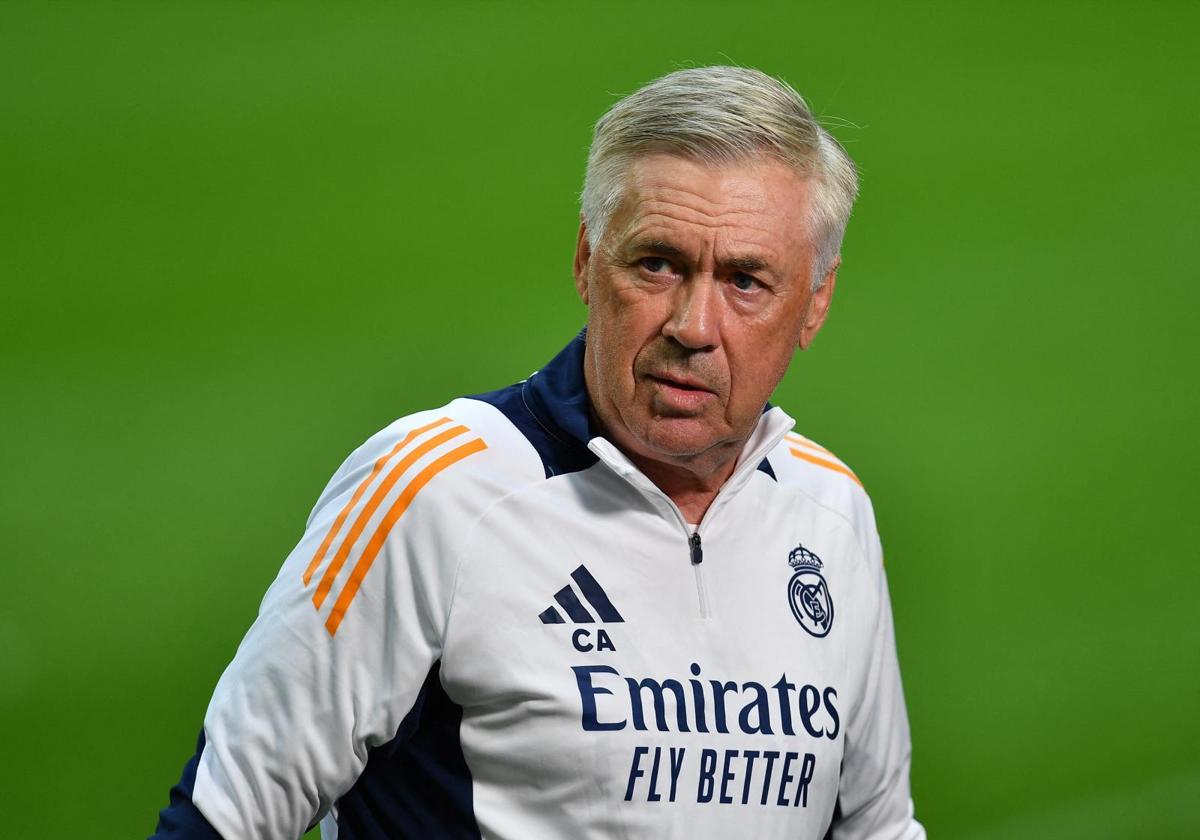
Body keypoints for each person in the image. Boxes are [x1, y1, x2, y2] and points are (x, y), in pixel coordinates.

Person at [154, 66, 925, 840]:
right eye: (657, 263)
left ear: (815, 302)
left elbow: (877, 829)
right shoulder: (438, 490)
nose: (694, 325)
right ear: (587, 260)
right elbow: (224, 820)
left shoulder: (831, 513)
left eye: (746, 281)